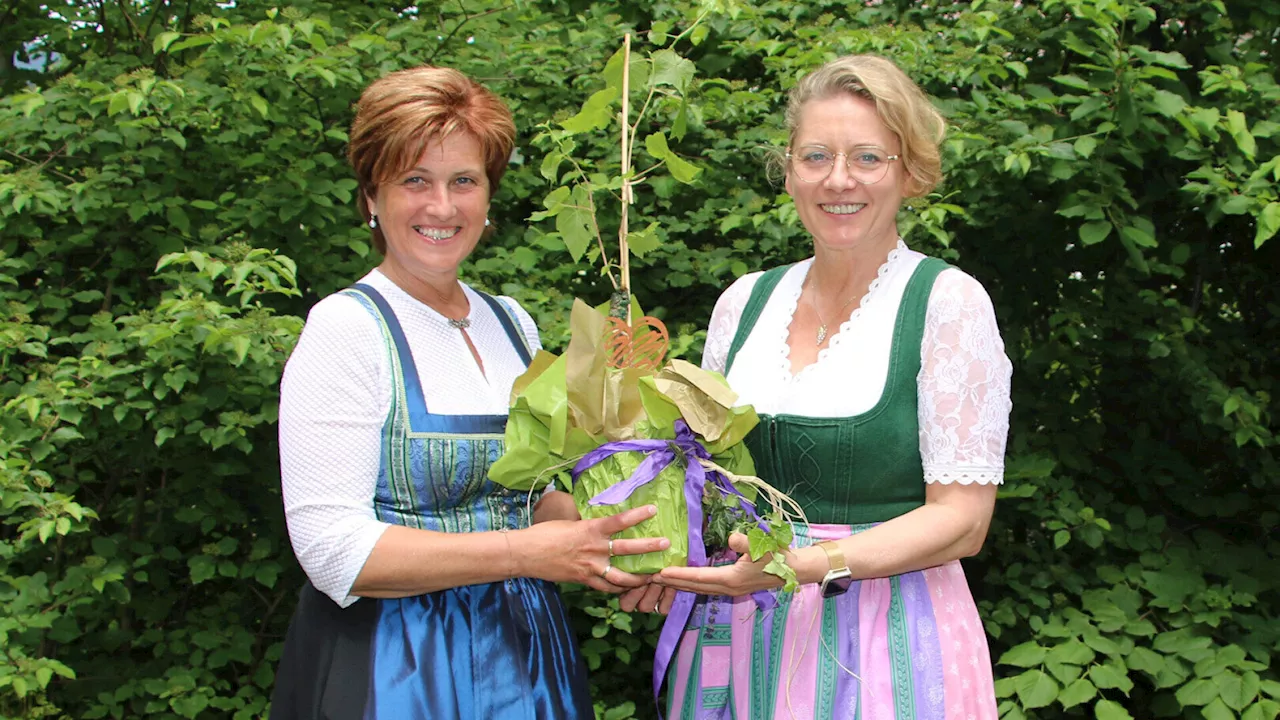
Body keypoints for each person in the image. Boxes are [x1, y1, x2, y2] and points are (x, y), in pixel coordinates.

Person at [269, 66, 669, 720]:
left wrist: (621, 541)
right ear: (371, 195)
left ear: (488, 197)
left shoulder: (510, 321)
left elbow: (532, 497)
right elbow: (331, 550)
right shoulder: (347, 328)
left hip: (521, 658)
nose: (442, 207)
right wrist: (527, 553)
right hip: (394, 664)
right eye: (414, 180)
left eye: (464, 181)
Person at [637, 55, 1013, 719]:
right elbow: (705, 480)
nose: (840, 180)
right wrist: (666, 559)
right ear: (789, 171)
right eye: (816, 156)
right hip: (739, 635)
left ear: (910, 171)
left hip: (884, 640)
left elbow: (963, 521)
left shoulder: (945, 302)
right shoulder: (743, 303)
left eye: (868, 157)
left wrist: (802, 566)